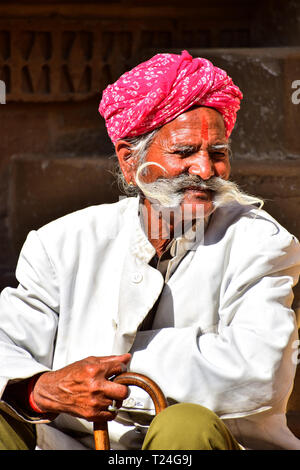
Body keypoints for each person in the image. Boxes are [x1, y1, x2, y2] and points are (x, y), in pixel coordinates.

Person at [1, 50, 300, 451]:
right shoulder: (61, 242)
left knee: (184, 424)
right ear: (130, 162)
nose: (205, 170)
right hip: (73, 442)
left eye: (218, 153)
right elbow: (7, 345)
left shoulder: (260, 241)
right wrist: (40, 389)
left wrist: (103, 373)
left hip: (200, 444)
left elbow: (257, 371)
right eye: (184, 152)